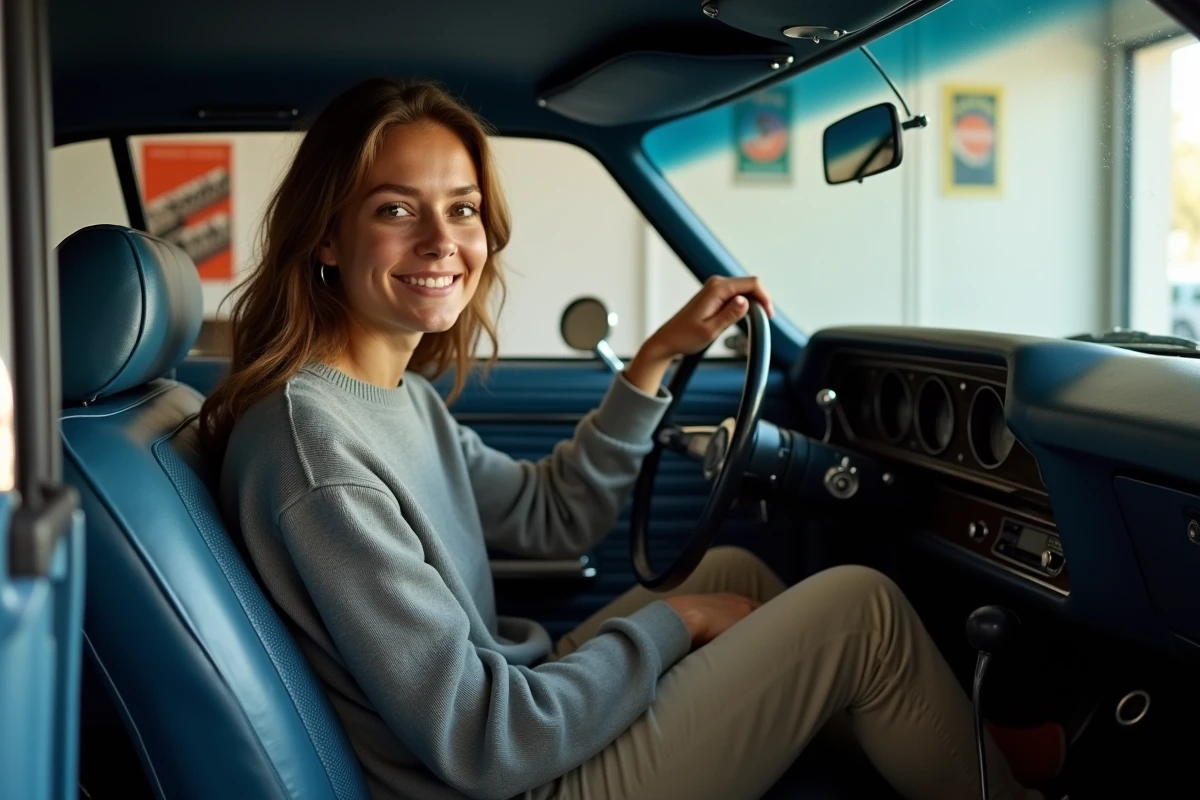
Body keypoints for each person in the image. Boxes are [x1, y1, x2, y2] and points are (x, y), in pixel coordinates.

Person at [202, 79, 1050, 800]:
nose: (442, 242)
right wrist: (675, 622)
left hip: (514, 713)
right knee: (859, 611)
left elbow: (549, 520)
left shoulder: (394, 400)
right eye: (395, 209)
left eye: (461, 209)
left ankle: (938, 747)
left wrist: (654, 360)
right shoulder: (316, 450)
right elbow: (486, 739)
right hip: (512, 774)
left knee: (738, 575)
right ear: (325, 235)